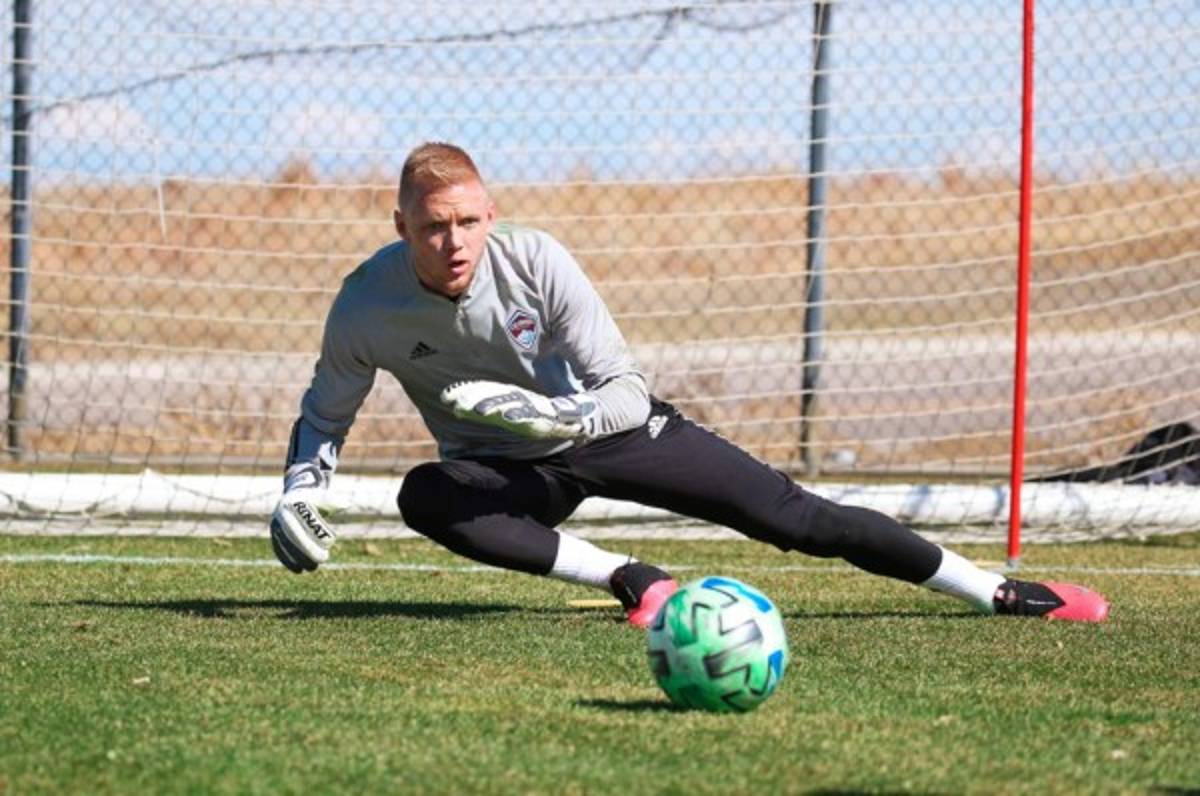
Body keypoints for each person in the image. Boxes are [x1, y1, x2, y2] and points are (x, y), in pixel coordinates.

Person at [269, 141, 1110, 626]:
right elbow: (324, 416)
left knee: (795, 518)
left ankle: (996, 590)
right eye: (432, 227)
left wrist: (552, 414)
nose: (454, 243)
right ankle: (630, 578)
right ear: (401, 225)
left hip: (612, 433)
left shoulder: (537, 259)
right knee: (425, 497)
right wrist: (298, 495)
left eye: (467, 222)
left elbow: (625, 389)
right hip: (509, 473)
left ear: (490, 215)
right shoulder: (365, 304)